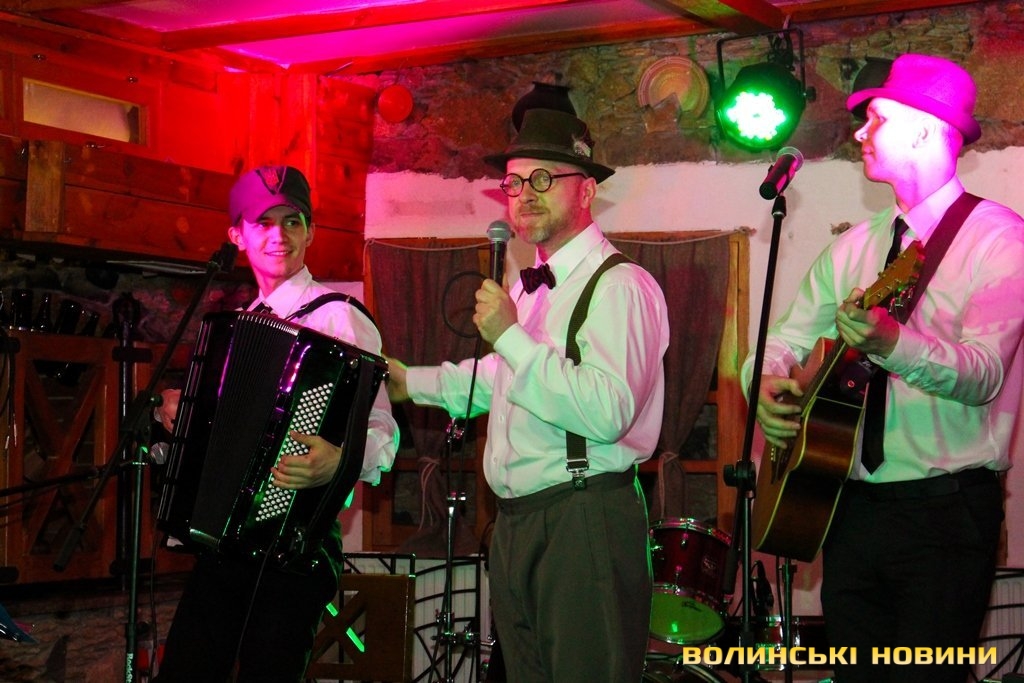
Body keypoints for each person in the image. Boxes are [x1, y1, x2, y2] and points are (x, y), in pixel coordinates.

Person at [743, 54, 1024, 683]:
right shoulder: (853, 247)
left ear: (924, 128)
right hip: (847, 506)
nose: (860, 132)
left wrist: (893, 343)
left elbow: (984, 374)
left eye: (876, 118)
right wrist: (763, 382)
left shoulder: (1000, 239)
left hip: (945, 514)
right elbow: (780, 339)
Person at [387, 108, 670, 683]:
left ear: (586, 191)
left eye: (543, 178)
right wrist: (407, 381)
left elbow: (608, 411)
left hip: (583, 517)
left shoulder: (621, 286)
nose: (524, 194)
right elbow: (499, 379)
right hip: (515, 524)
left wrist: (511, 336)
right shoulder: (527, 287)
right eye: (514, 183)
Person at [154, 165, 400, 682]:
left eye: (292, 221)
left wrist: (342, 459)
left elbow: (382, 429)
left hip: (293, 549)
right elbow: (221, 434)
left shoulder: (339, 318)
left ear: (310, 232)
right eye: (263, 223)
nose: (279, 235)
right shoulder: (239, 326)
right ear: (236, 236)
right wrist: (176, 414)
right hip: (223, 547)